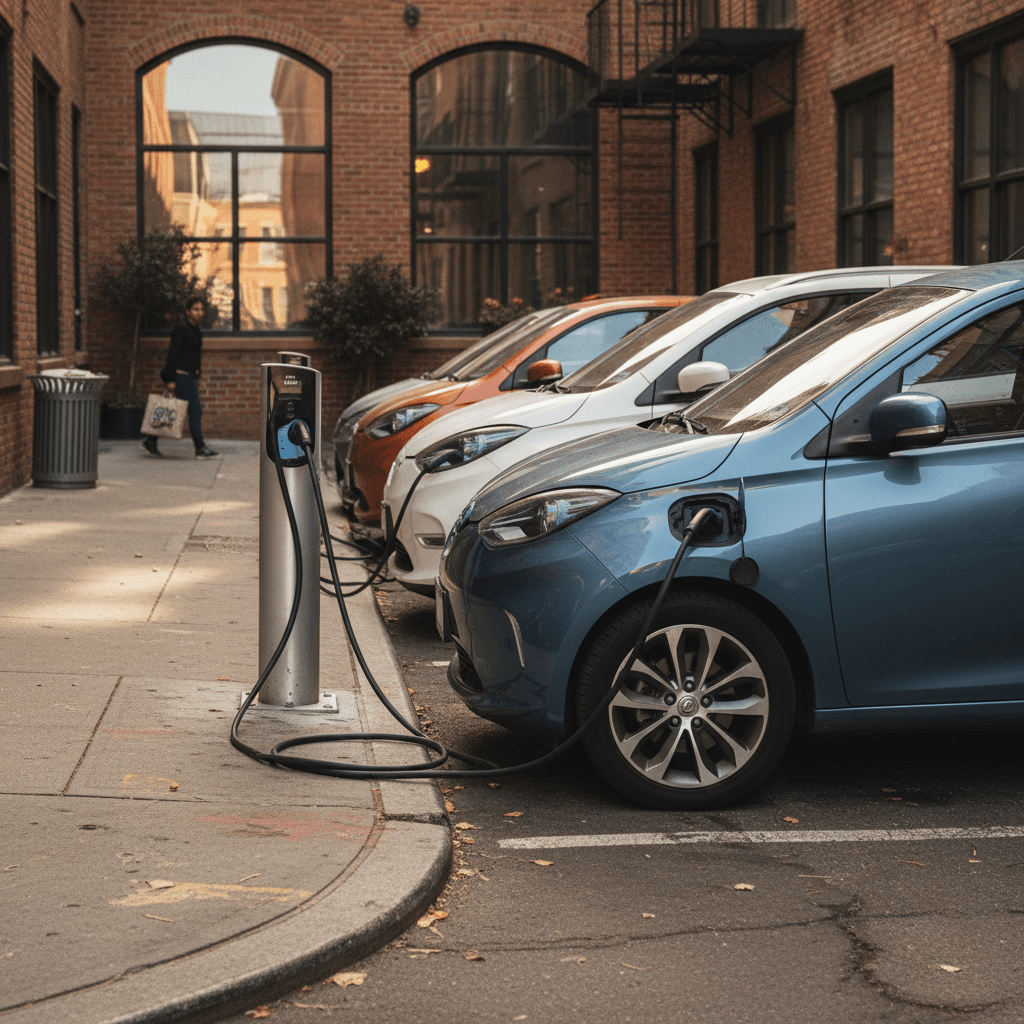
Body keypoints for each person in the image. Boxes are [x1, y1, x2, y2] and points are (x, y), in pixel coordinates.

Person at [141, 297, 219, 459]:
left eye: (202, 309)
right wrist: (170, 380)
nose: (200, 313)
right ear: (188, 311)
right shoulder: (182, 329)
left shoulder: (195, 330)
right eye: (196, 309)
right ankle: (200, 448)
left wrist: (198, 374)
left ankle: (150, 440)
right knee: (195, 411)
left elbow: (193, 356)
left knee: (172, 408)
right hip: (180, 376)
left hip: (189, 376)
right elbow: (172, 355)